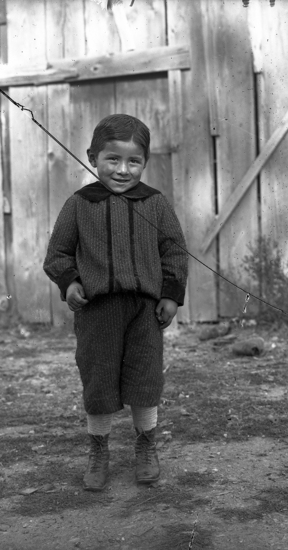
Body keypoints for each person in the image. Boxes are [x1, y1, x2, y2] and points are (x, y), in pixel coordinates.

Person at [43, 114, 188, 491]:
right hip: (98, 311)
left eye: (133, 161)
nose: (123, 170)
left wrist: (171, 296)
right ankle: (99, 449)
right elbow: (58, 253)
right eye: (112, 159)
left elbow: (174, 252)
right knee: (99, 378)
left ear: (145, 162)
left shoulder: (155, 204)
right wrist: (70, 282)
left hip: (145, 311)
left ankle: (146, 445)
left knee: (145, 377)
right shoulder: (79, 204)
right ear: (92, 158)